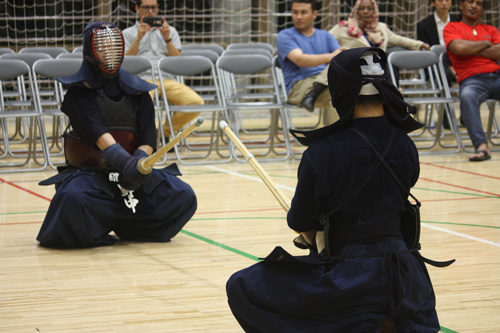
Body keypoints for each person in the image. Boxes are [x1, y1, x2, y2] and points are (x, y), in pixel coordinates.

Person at [226, 47, 453, 332]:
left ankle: (361, 321)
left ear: (340, 94)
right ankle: (377, 319)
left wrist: (315, 239)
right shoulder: (406, 145)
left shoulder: (322, 153)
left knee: (243, 285)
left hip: (350, 277)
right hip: (406, 277)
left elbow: (300, 222)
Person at [36, 22, 197, 248]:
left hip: (133, 175)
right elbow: (98, 134)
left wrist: (139, 164)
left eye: (115, 48)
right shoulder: (79, 92)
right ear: (91, 52)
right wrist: (125, 162)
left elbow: (149, 137)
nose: (109, 54)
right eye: (103, 48)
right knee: (73, 199)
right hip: (91, 175)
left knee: (182, 195)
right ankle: (101, 225)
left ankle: (131, 227)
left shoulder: (139, 91)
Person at [122, 0, 203, 140]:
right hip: (142, 80)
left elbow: (177, 61)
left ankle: (162, 134)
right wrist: (138, 39)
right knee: (144, 105)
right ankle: (145, 138)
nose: (150, 11)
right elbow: (126, 63)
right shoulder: (128, 33)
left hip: (167, 79)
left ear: (158, 9)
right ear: (137, 8)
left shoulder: (170, 31)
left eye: (153, 7)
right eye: (146, 8)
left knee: (195, 102)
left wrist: (167, 39)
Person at [443, 0, 500, 161]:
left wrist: (471, 49)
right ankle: (482, 147)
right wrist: (485, 44)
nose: (474, 6)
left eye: (479, 3)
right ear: (461, 5)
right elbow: (458, 49)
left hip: (496, 75)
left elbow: (499, 52)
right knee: (467, 97)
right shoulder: (452, 27)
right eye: (470, 2)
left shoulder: (491, 29)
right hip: (471, 80)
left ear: (483, 10)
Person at [276, 0, 344, 117]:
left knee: (346, 85)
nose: (298, 17)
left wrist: (335, 58)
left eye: (304, 12)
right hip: (299, 87)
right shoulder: (284, 35)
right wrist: (330, 57)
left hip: (327, 84)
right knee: (342, 93)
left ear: (314, 14)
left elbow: (340, 59)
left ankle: (317, 89)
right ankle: (339, 135)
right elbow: (300, 60)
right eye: (295, 12)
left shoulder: (326, 36)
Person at [329, 0, 430, 52]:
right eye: (362, 8)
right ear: (356, 11)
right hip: (354, 70)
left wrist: (420, 44)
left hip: (379, 69)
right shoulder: (343, 27)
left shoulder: (381, 28)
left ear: (374, 11)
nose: (365, 11)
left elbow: (398, 39)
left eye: (369, 8)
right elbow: (325, 40)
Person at [417, 0, 460, 84]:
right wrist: (447, 67)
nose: (444, 3)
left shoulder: (458, 23)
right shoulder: (423, 25)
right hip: (434, 66)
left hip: (456, 63)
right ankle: (444, 96)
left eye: (447, 0)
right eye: (440, 0)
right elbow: (427, 54)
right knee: (445, 73)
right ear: (433, 2)